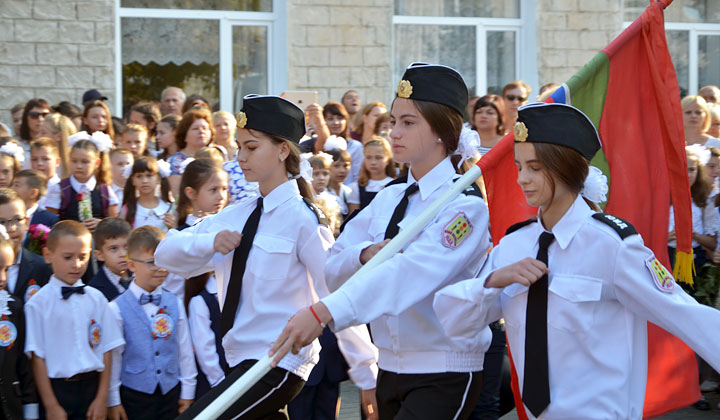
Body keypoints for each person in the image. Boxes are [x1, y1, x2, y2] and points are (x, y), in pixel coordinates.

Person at [432, 102, 720, 419]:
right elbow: (454, 320)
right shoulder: (514, 245)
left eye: (535, 168)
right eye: (519, 166)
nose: (522, 178)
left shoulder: (612, 245)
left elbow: (687, 315)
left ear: (565, 168)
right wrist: (493, 281)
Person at [270, 63, 491, 420]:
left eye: (409, 122)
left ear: (442, 132)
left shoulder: (464, 208)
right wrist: (363, 255)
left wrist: (326, 311)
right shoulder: (389, 198)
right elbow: (332, 267)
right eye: (393, 121)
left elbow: (411, 273)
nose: (394, 132)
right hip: (390, 367)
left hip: (443, 369)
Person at [156, 94, 378, 420]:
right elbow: (164, 254)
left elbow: (336, 291)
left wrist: (367, 373)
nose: (240, 156)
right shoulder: (236, 215)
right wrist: (209, 243)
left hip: (279, 362)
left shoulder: (304, 219)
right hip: (241, 360)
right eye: (238, 147)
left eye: (251, 147)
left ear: (282, 150)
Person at [25, 220, 124, 420]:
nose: (77, 264)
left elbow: (107, 349)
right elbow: (37, 358)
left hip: (92, 388)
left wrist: (102, 398)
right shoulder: (38, 304)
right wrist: (51, 405)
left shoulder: (97, 299)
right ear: (48, 255)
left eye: (83, 257)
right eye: (68, 257)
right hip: (57, 390)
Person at [107, 226, 196, 420]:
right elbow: (114, 358)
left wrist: (188, 390)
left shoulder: (174, 302)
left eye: (164, 261)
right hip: (134, 395)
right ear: (132, 265)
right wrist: (113, 400)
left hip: (170, 391)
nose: (161, 268)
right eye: (152, 262)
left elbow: (184, 350)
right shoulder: (116, 308)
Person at [0, 227, 39, 420]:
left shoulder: (13, 307)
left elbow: (24, 365)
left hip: (10, 409)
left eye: (6, 269)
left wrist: (30, 408)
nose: (2, 278)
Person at [45, 132, 119, 230]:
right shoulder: (59, 189)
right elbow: (50, 222)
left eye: (85, 162)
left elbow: (114, 223)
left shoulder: (104, 190)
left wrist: (101, 224)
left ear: (97, 163)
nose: (79, 166)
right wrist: (75, 227)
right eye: (74, 161)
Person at [0, 188, 52, 303]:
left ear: (27, 222)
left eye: (17, 220)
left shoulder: (42, 267)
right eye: (2, 222)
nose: (11, 228)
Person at [306, 102, 364, 185]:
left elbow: (357, 175)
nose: (336, 122)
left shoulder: (356, 146)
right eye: (330, 119)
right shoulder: (314, 144)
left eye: (340, 118)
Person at [168, 109, 214, 198]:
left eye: (205, 128)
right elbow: (177, 195)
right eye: (195, 128)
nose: (201, 131)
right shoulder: (176, 161)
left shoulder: (217, 154)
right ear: (184, 135)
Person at [120, 156, 174, 231]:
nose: (144, 181)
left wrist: (172, 227)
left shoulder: (168, 208)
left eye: (149, 176)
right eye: (139, 176)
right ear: (133, 180)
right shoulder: (128, 209)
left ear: (158, 179)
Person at [176, 159, 229, 231]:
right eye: (213, 190)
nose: (221, 196)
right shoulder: (181, 234)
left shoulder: (231, 227)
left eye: (224, 189)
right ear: (191, 193)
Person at [89, 217, 132, 302]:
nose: (123, 254)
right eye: (113, 248)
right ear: (100, 255)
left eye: (126, 246)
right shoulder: (94, 290)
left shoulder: (141, 275)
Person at [347, 137, 395, 213]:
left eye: (378, 158)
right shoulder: (358, 187)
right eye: (368, 157)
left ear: (388, 160)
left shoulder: (395, 185)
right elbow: (353, 215)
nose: (373, 162)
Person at [29, 138, 63, 208]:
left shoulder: (60, 188)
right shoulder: (28, 186)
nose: (39, 163)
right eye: (34, 159)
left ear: (57, 162)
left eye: (45, 159)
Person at [38, 113, 74, 178]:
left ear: (58, 136)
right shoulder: (34, 159)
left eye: (43, 133)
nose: (38, 136)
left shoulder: (75, 163)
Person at [326, 148, 352, 220]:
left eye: (345, 166)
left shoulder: (349, 192)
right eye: (336, 166)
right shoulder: (321, 192)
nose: (342, 171)